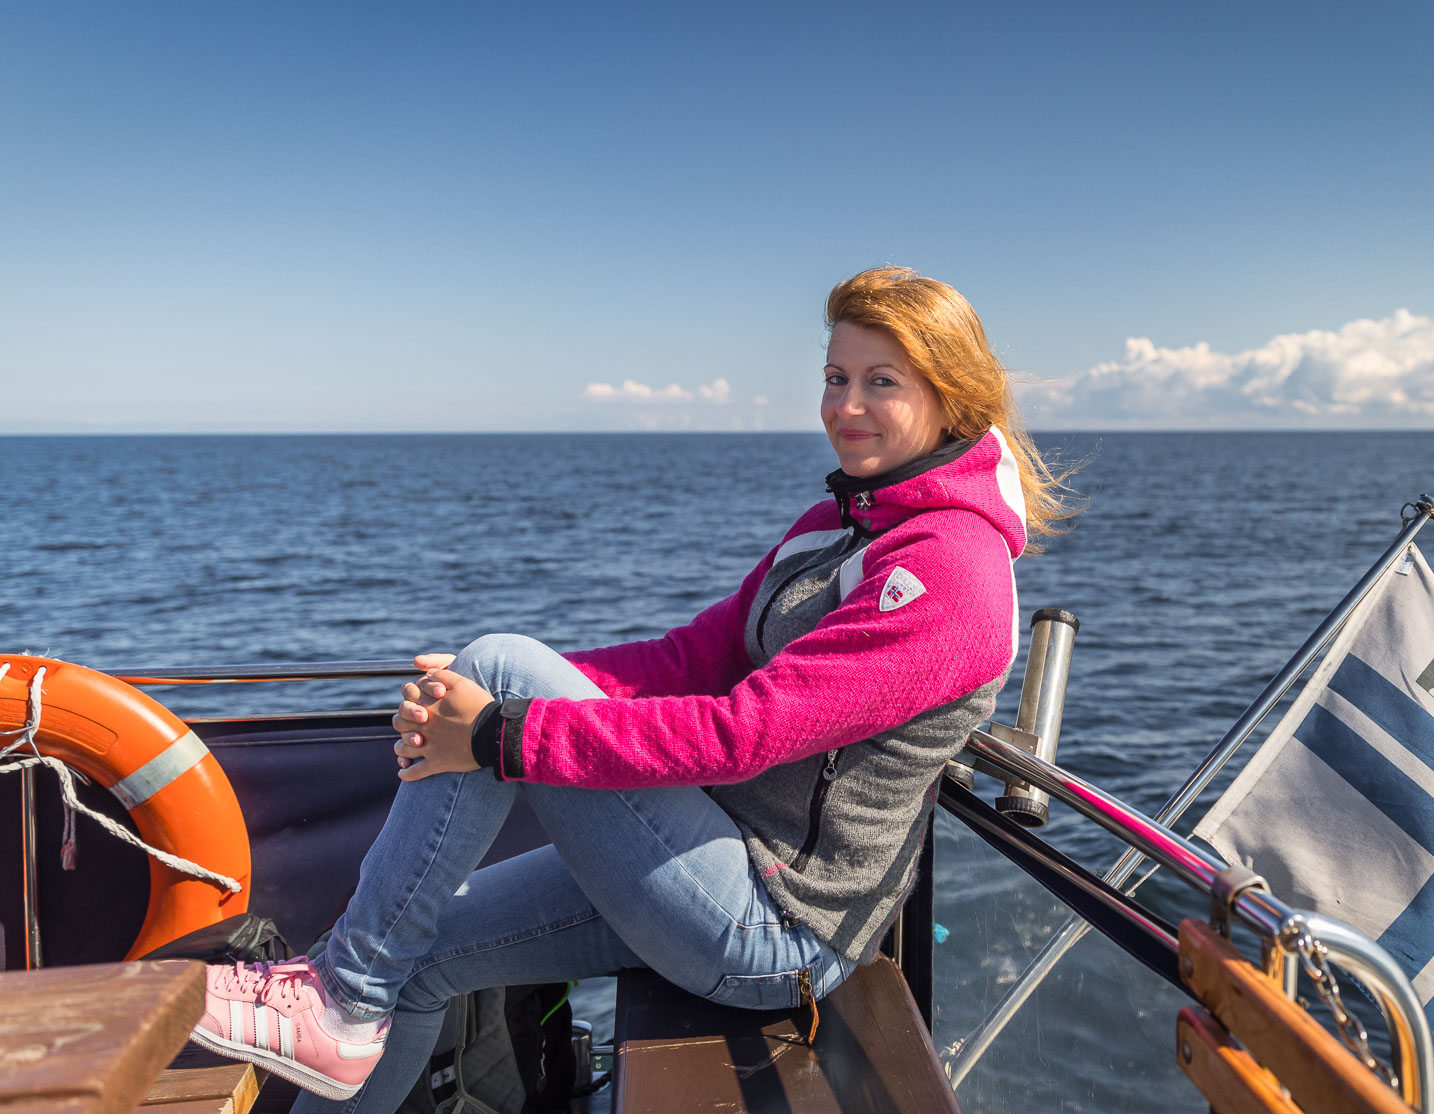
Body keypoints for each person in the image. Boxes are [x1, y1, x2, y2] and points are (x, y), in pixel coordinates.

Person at [188, 266, 1077, 1110]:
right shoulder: (842, 522)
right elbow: (696, 656)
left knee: (499, 670)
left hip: (781, 927)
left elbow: (746, 733)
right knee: (424, 955)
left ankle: (342, 992)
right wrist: (500, 697)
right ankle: (355, 994)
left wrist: (503, 729)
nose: (846, 406)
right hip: (706, 859)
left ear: (952, 396)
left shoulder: (950, 571)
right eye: (836, 375)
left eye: (882, 381)